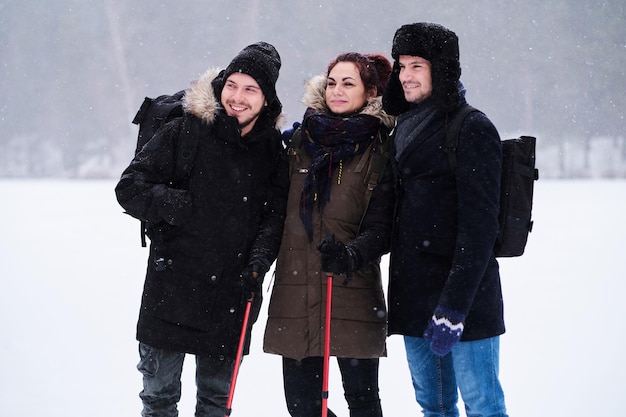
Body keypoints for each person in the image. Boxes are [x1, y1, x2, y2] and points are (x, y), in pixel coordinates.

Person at [115, 41, 289, 417]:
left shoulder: (273, 149)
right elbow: (129, 188)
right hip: (171, 287)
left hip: (232, 291)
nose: (237, 98)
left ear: (266, 98)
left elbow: (274, 217)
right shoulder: (186, 130)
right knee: (159, 402)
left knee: (215, 406)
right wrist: (173, 204)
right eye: (232, 85)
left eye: (250, 89)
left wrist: (259, 261)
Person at [382, 23, 509, 417]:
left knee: (483, 405)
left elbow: (481, 228)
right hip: (413, 298)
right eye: (401, 65)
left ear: (442, 68)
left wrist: (454, 308)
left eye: (416, 65)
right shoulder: (402, 128)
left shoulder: (472, 127)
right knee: (433, 407)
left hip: (465, 301)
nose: (405, 75)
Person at [263, 52, 395, 417]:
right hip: (296, 287)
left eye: (348, 83)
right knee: (303, 407)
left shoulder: (380, 148)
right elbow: (275, 211)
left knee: (363, 403)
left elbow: (383, 227)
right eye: (332, 82)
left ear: (370, 92)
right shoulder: (299, 142)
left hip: (351, 288)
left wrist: (351, 254)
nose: (337, 90)